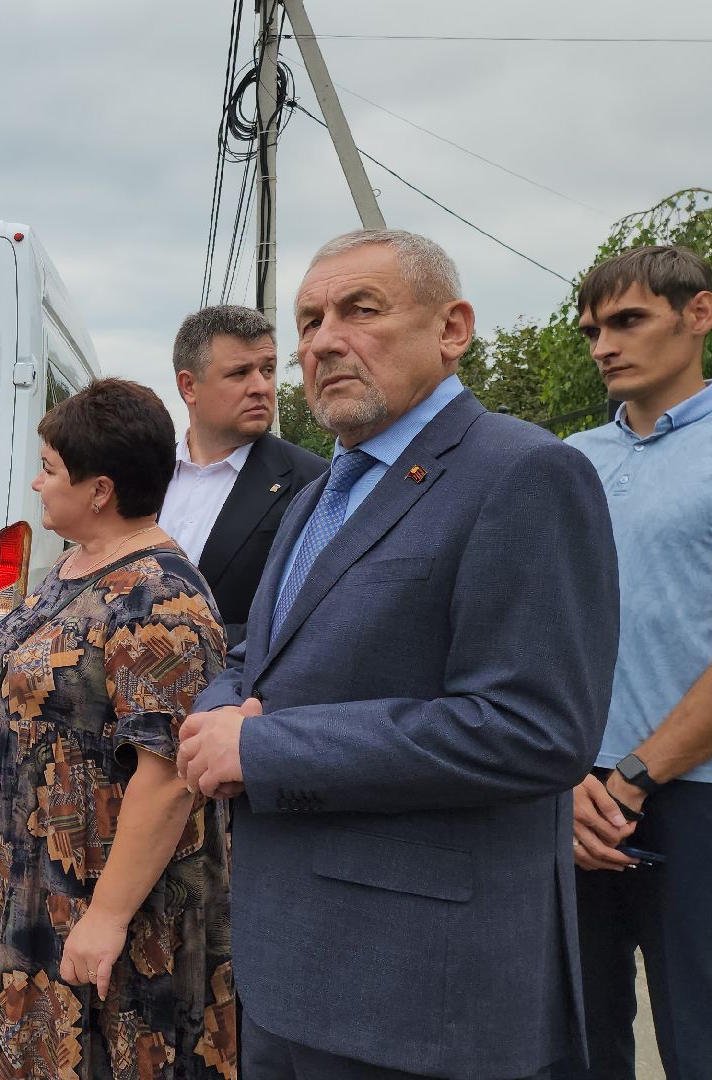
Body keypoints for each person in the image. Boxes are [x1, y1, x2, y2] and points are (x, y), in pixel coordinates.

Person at [175, 229, 619, 1080]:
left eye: (360, 309)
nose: (322, 341)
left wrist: (263, 749)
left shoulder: (525, 473)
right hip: (287, 968)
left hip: (414, 995)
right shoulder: (317, 494)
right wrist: (215, 710)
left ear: (453, 328)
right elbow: (262, 659)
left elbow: (535, 728)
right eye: (308, 321)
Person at [0, 379, 234, 1080]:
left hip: (105, 903)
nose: (37, 483)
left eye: (49, 469)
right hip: (31, 886)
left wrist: (106, 918)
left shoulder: (159, 598)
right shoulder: (78, 560)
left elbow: (167, 779)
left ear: (100, 489)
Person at [557, 245, 712, 1080]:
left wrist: (636, 776)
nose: (604, 343)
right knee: (569, 1044)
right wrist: (564, 777)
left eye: (628, 319)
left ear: (700, 314)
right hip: (569, 798)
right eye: (592, 329)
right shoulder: (566, 460)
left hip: (709, 796)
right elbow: (541, 635)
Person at [161, 305, 327, 647]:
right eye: (239, 373)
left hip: (235, 695)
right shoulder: (144, 473)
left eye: (267, 370)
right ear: (188, 386)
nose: (261, 387)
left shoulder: (312, 483)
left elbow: (309, 622)